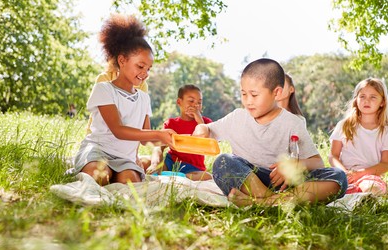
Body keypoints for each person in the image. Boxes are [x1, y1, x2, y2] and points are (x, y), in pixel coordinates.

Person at [193, 58, 347, 207]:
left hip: (284, 183)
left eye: (254, 95)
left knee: (338, 177)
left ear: (277, 92)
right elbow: (209, 129)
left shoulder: (293, 122)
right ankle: (275, 201)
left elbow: (317, 162)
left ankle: (262, 203)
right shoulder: (237, 117)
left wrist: (293, 166)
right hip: (248, 181)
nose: (247, 101)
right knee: (224, 161)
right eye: (243, 94)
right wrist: (201, 128)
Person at [73, 14, 175, 186]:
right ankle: (91, 168)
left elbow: (144, 138)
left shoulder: (143, 98)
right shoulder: (104, 89)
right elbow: (118, 130)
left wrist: (171, 140)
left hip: (124, 158)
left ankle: (117, 173)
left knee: (130, 183)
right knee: (100, 176)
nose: (145, 72)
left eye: (148, 68)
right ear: (122, 60)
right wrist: (158, 134)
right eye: (140, 66)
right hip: (99, 151)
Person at [329, 78, 388, 195]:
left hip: (369, 177)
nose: (367, 101)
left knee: (371, 189)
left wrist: (360, 174)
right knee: (323, 187)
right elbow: (333, 156)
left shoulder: (385, 131)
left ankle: (359, 197)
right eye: (362, 96)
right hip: (343, 176)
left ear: (382, 102)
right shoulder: (344, 125)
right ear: (356, 100)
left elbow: (385, 164)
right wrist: (344, 173)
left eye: (373, 97)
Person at [149, 84, 213, 181]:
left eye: (199, 103)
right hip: (171, 162)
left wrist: (199, 119)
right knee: (146, 162)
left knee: (207, 176)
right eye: (191, 101)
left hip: (193, 168)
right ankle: (165, 173)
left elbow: (207, 140)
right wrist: (154, 164)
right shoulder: (171, 123)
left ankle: (179, 177)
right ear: (179, 102)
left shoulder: (206, 123)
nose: (195, 105)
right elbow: (159, 147)